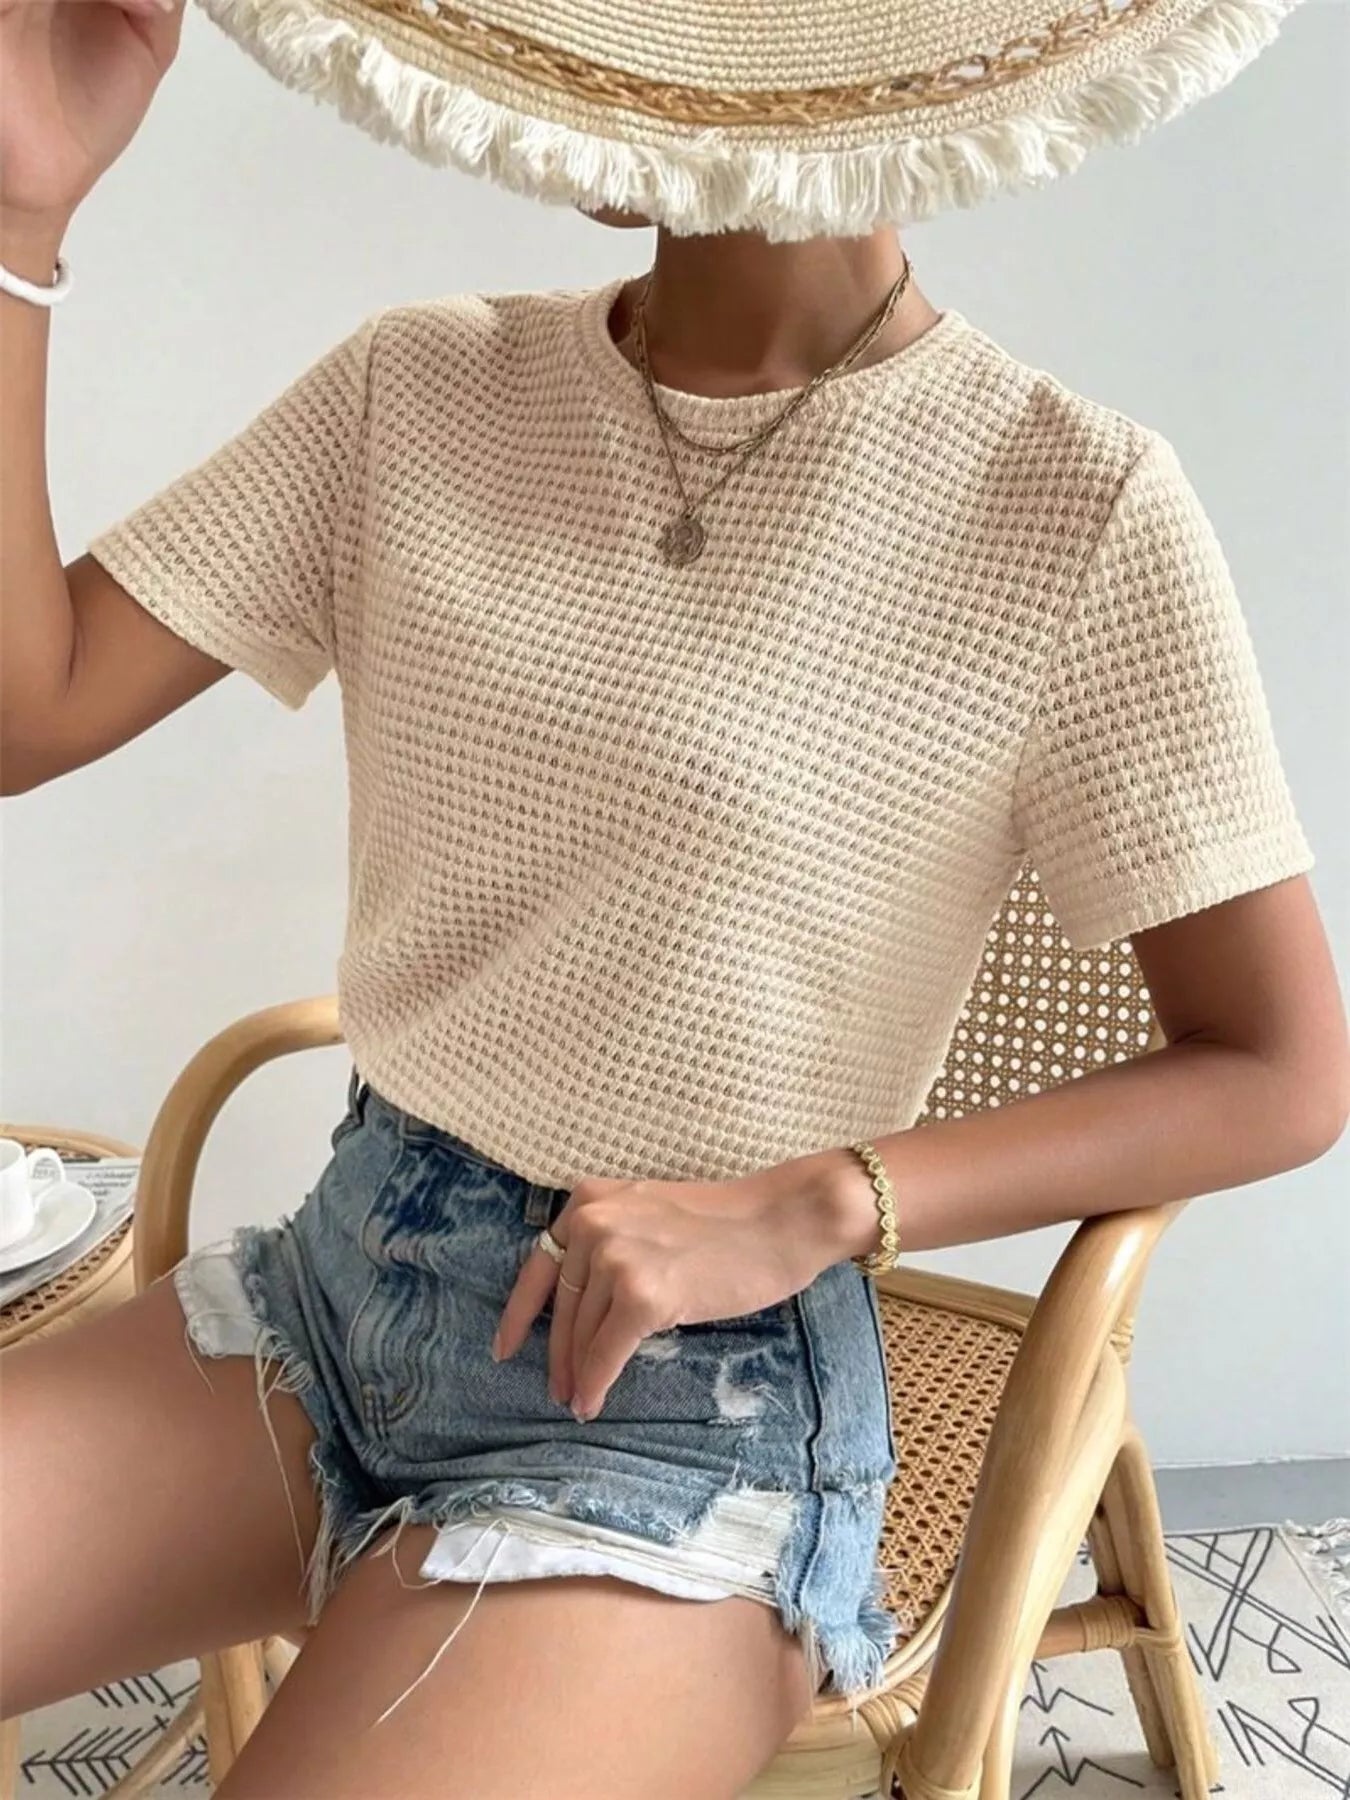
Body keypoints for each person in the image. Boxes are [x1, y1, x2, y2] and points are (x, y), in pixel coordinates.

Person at [1, 1, 1345, 1795]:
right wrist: (18, 213)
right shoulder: (417, 386)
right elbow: (28, 711)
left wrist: (818, 1202)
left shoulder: (1067, 498)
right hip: (336, 1295)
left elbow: (1277, 1068)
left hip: (688, 1407)